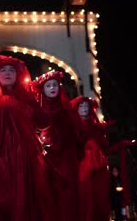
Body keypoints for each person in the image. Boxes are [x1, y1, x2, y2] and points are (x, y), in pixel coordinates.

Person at [0, 13, 57, 221]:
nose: (7, 72)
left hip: (25, 163)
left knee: (24, 205)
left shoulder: (27, 99)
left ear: (18, 75)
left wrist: (45, 98)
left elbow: (44, 123)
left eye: (11, 70)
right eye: (3, 70)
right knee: (0, 204)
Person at [72, 96, 137, 221]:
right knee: (86, 201)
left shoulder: (97, 128)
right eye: (81, 106)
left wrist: (121, 144)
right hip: (83, 170)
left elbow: (105, 151)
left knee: (100, 201)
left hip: (100, 170)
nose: (84, 108)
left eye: (86, 106)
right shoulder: (74, 127)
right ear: (76, 109)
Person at [31, 70, 79, 221]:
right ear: (43, 90)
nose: (52, 88)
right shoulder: (38, 110)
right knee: (48, 197)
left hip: (67, 161)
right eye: (48, 85)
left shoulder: (67, 110)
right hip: (47, 161)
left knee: (68, 197)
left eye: (55, 85)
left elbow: (74, 135)